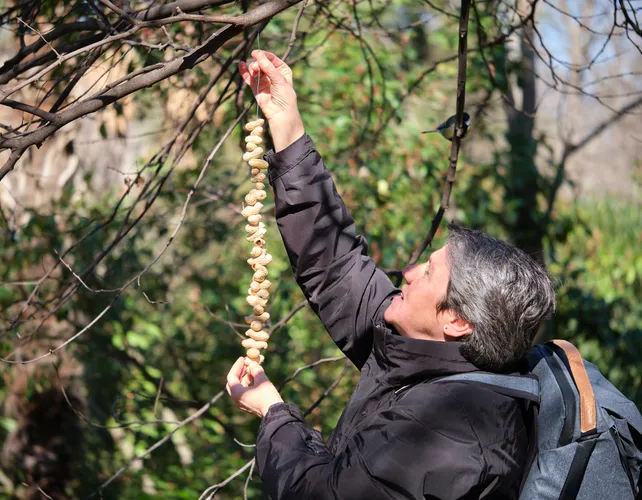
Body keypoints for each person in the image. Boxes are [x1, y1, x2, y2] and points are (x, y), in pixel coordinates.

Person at [226, 50, 556, 500]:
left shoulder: (451, 432)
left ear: (457, 321)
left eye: (430, 271)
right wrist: (287, 128)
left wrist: (273, 412)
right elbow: (338, 267)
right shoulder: (429, 354)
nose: (409, 271)